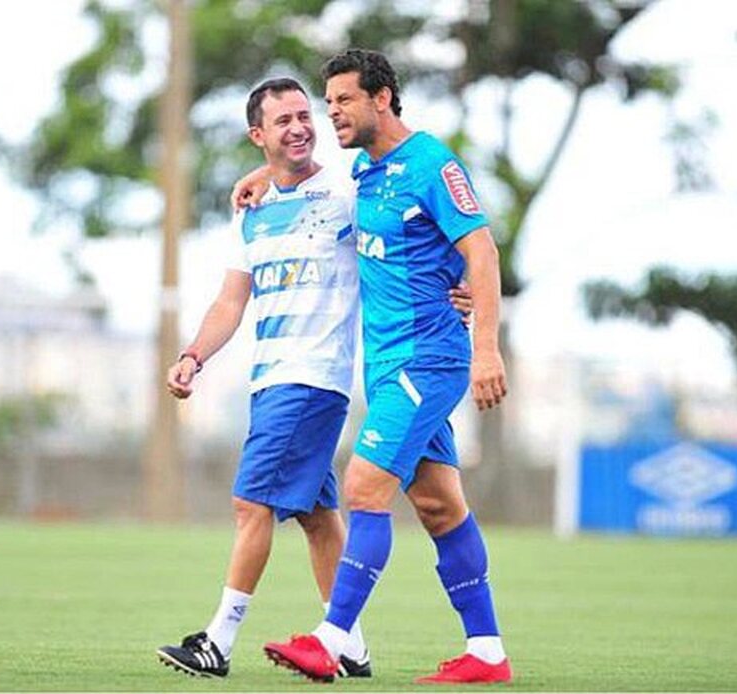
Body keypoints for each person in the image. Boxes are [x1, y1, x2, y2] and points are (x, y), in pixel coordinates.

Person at [155, 77, 472, 680]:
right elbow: (230, 302)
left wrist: (457, 288)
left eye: (307, 115)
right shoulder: (250, 213)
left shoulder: (349, 190)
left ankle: (218, 641)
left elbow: (423, 231)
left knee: (251, 504)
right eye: (285, 120)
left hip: (314, 378)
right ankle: (349, 645)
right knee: (317, 515)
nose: (301, 127)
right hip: (269, 379)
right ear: (259, 136)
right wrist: (194, 355)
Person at [259, 49, 513, 685]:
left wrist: (486, 348)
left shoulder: (431, 163)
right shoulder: (366, 174)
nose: (332, 113)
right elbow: (309, 181)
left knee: (364, 487)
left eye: (343, 100)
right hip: (389, 367)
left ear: (382, 98)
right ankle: (486, 652)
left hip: (429, 361)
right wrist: (259, 175)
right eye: (330, 102)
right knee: (439, 508)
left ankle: (334, 639)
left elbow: (480, 253)